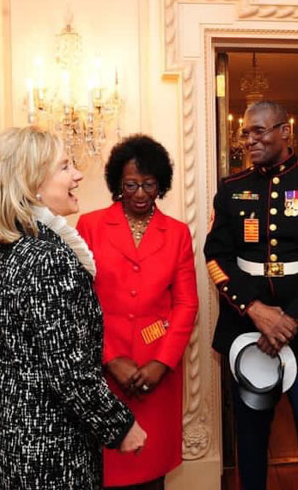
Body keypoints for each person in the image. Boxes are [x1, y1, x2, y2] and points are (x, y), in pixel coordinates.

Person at [0, 127, 146, 490]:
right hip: (48, 447)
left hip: (9, 436)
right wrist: (121, 426)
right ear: (33, 182)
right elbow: (69, 371)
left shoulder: (3, 250)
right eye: (65, 167)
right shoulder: (48, 258)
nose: (78, 175)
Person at [205, 100, 298, 490]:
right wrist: (256, 311)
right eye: (246, 133)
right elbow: (217, 257)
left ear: (285, 132)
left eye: (260, 131)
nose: (249, 140)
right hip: (248, 332)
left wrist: (293, 319)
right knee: (251, 439)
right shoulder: (231, 190)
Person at [77, 135, 199, 490]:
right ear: (118, 183)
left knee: (150, 470)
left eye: (149, 184)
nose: (141, 193)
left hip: (157, 372)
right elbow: (81, 302)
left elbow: (186, 304)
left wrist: (161, 363)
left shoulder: (176, 234)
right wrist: (110, 358)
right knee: (107, 466)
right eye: (131, 184)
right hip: (105, 369)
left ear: (161, 184)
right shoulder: (90, 226)